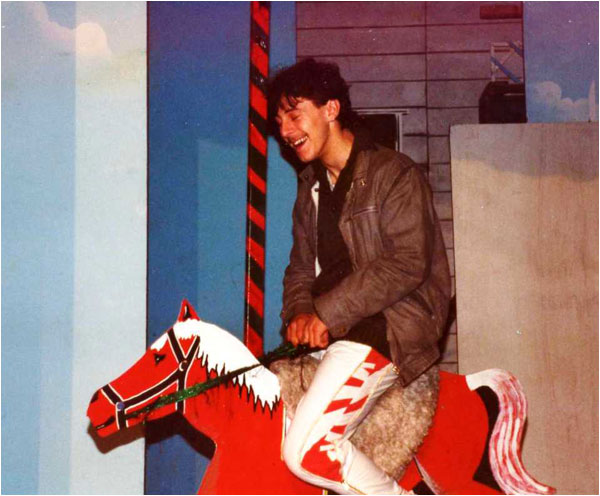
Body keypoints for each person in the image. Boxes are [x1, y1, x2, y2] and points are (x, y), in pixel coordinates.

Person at [267, 58, 451, 495]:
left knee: (306, 452)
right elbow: (299, 267)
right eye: (278, 122)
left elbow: (407, 261)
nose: (286, 130)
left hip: (386, 326)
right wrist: (298, 311)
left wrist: (325, 313)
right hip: (335, 329)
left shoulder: (395, 173)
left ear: (331, 109)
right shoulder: (309, 186)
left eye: (295, 114)